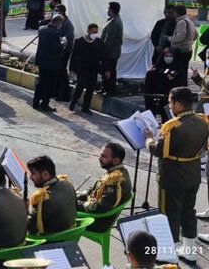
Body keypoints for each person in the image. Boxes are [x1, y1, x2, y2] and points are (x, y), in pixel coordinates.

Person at [144, 87, 208, 262]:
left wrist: (149, 139)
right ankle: (189, 250)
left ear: (178, 105)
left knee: (169, 214)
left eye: (171, 102)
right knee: (188, 211)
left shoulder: (172, 125)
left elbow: (159, 151)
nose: (169, 105)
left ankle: (166, 253)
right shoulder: (203, 121)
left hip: (172, 176)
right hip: (193, 173)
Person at [77, 142, 132, 233]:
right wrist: (76, 196)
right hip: (97, 214)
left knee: (59, 213)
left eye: (104, 156)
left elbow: (101, 208)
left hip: (98, 221)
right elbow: (95, 189)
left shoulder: (114, 180)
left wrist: (74, 203)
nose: (100, 159)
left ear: (116, 161)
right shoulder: (118, 170)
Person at [26, 156, 76, 235]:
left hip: (50, 240)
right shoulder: (67, 184)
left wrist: (25, 210)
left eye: (33, 173)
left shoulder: (43, 197)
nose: (30, 177)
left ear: (45, 174)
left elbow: (31, 228)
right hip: (71, 234)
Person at [69, 23, 103, 115]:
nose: (95, 34)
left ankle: (86, 107)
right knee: (80, 85)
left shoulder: (99, 42)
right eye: (93, 32)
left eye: (96, 32)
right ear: (88, 31)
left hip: (93, 69)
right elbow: (73, 56)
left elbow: (102, 56)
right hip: (81, 68)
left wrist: (105, 69)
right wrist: (71, 68)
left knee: (90, 88)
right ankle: (73, 101)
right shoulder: (79, 41)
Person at [33, 15, 64, 112]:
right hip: (50, 63)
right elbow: (56, 48)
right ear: (58, 22)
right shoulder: (54, 33)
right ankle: (44, 104)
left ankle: (35, 102)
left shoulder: (42, 29)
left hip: (41, 60)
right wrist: (63, 44)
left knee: (40, 82)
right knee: (48, 84)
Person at [144, 49, 179, 119]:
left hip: (169, 99)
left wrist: (171, 79)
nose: (169, 58)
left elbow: (178, 84)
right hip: (155, 98)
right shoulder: (154, 71)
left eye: (171, 56)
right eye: (166, 56)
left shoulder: (176, 69)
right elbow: (148, 87)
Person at [168, 5, 197, 87]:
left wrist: (169, 39)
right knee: (183, 71)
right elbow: (196, 35)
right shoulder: (189, 21)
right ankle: (183, 87)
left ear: (176, 13)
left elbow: (180, 37)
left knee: (179, 72)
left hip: (181, 51)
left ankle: (179, 88)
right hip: (188, 50)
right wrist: (189, 42)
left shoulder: (182, 22)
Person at [100, 1, 123, 96]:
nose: (107, 10)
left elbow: (109, 40)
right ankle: (106, 88)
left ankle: (109, 90)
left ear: (112, 10)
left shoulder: (114, 22)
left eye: (109, 8)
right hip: (112, 51)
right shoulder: (113, 20)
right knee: (108, 70)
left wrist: (102, 51)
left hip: (110, 52)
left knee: (109, 71)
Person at [54, 4, 74, 101]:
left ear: (62, 12)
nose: (55, 12)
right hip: (58, 51)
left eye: (57, 11)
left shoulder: (67, 24)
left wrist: (63, 53)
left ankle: (63, 95)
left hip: (63, 52)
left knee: (62, 74)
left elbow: (69, 40)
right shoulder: (59, 21)